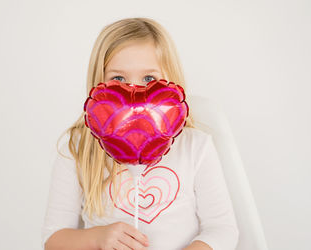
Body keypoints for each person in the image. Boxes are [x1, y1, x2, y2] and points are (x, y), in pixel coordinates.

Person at [41, 17, 239, 250]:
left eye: (148, 79)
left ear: (170, 81)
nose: (134, 94)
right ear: (98, 83)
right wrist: (97, 237)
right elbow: (53, 240)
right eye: (118, 78)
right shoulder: (77, 149)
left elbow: (223, 229)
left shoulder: (195, 146)